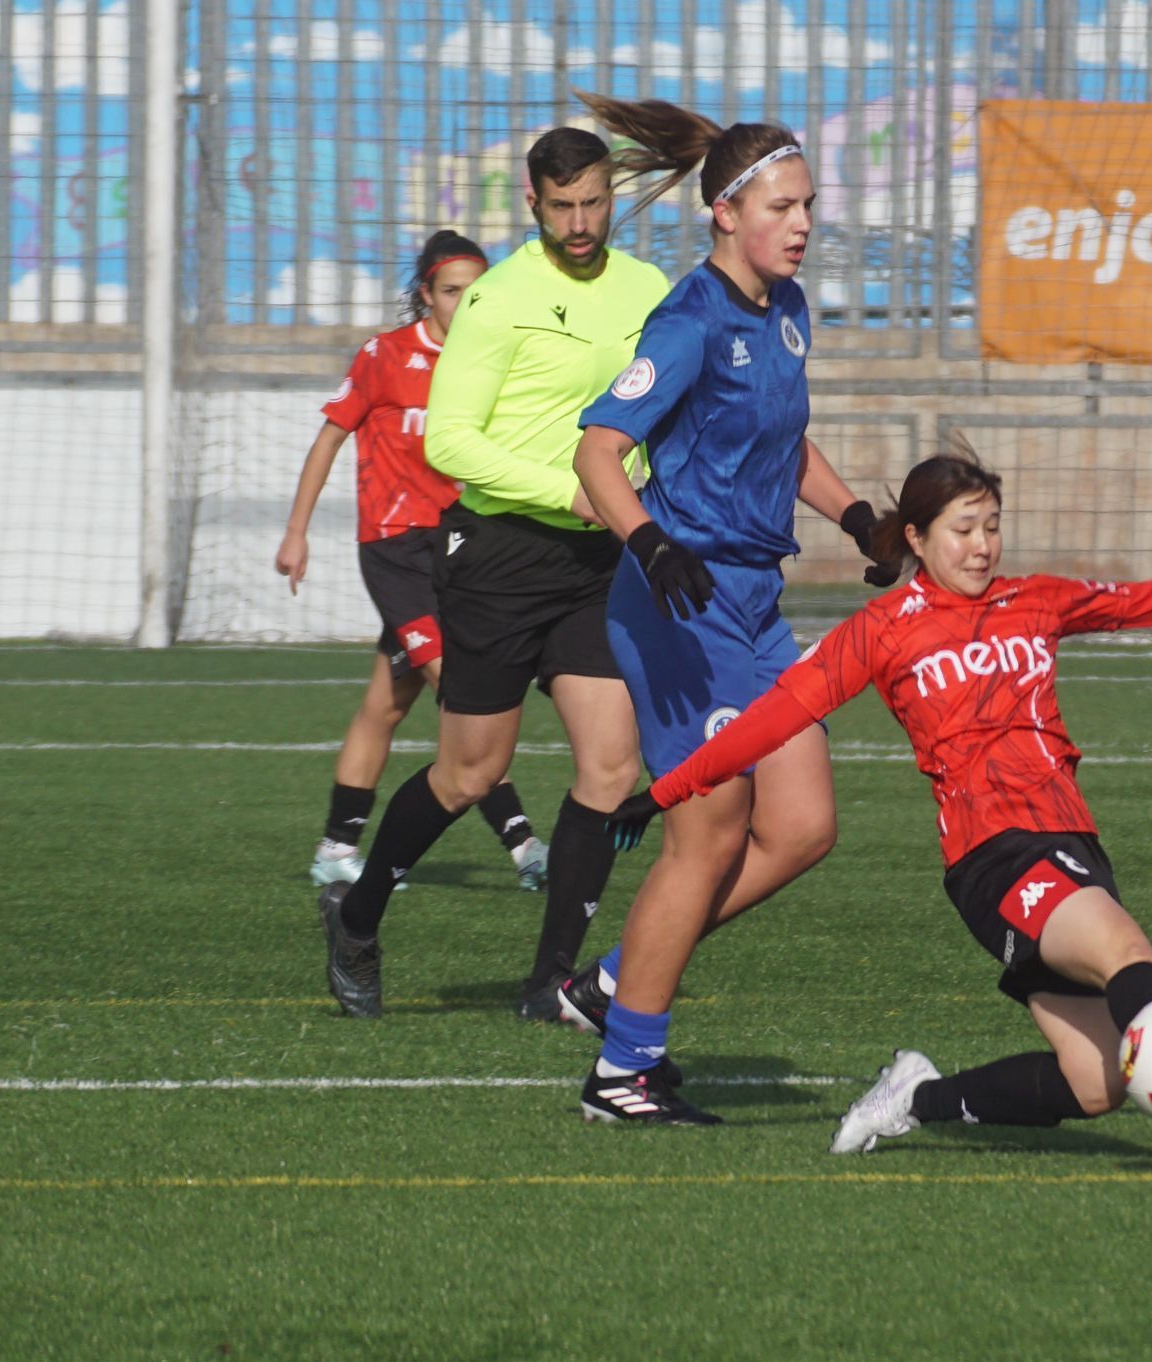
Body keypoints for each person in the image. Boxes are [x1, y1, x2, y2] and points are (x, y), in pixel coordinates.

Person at [590, 451, 1152, 1143]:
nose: (982, 546)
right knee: (1125, 951)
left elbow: (1149, 600)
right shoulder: (883, 631)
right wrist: (670, 789)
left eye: (992, 527)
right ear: (916, 537)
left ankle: (915, 1100)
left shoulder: (1034, 600)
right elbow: (776, 715)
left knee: (1097, 1081)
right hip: (995, 854)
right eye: (963, 530)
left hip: (1072, 843)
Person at [551, 93, 896, 1108]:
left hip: (750, 603)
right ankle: (622, 1066)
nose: (800, 224)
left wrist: (856, 517)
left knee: (800, 827)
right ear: (724, 215)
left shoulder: (784, 311)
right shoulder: (691, 319)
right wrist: (650, 544)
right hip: (676, 601)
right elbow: (598, 453)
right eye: (782, 207)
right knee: (705, 834)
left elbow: (781, 443)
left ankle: (614, 980)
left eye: (808, 205)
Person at [318, 128, 671, 1020]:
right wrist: (573, 488)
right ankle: (357, 917)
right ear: (532, 204)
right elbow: (451, 440)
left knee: (610, 766)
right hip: (501, 555)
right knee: (471, 774)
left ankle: (549, 980)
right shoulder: (499, 299)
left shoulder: (648, 289)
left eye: (594, 202)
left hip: (597, 562)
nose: (581, 222)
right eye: (563, 207)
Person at [275, 231, 548, 895]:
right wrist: (297, 531)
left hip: (462, 549)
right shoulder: (385, 357)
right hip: (397, 549)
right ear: (425, 294)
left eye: (478, 291)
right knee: (462, 691)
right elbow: (330, 437)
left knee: (384, 705)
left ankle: (338, 848)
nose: (467, 303)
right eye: (453, 291)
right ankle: (526, 848)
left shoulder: (495, 359)